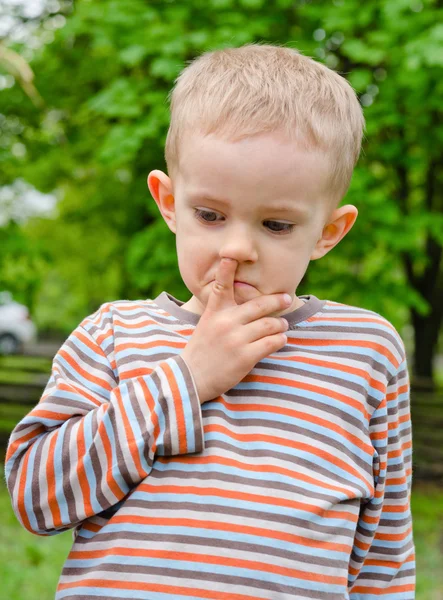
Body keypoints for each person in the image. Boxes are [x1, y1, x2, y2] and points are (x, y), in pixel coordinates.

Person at [5, 43, 415, 599]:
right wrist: (188, 379)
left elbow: (383, 558)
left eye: (275, 224)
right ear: (169, 202)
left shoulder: (365, 351)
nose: (238, 246)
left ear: (329, 232)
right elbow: (36, 496)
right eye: (211, 215)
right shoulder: (112, 336)